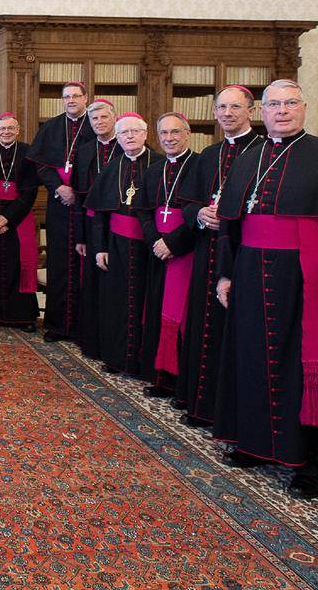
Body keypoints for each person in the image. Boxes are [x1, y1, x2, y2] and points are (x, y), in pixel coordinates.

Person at [214, 79, 318, 500]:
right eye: (273, 104)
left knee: (301, 364)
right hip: (251, 271)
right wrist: (227, 274)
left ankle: (310, 462)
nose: (281, 111)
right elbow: (233, 224)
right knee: (251, 354)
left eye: (290, 103)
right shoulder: (249, 157)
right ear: (261, 111)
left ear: (304, 107)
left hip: (308, 278)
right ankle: (255, 443)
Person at [176, 86, 262, 426]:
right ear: (214, 113)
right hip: (206, 250)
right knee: (202, 325)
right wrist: (199, 214)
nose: (228, 113)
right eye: (222, 107)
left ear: (251, 111)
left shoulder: (261, 152)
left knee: (233, 331)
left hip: (241, 254)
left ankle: (230, 413)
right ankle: (200, 404)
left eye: (235, 107)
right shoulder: (208, 155)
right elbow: (187, 202)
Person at [86, 113, 157, 374]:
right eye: (124, 133)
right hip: (115, 246)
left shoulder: (157, 164)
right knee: (115, 302)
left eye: (135, 132)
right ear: (117, 138)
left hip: (148, 247)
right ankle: (116, 358)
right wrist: (100, 248)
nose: (129, 137)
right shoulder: (111, 168)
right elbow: (99, 215)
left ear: (145, 134)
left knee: (145, 303)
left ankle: (142, 362)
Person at [135, 113, 199, 393]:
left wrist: (172, 243)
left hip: (186, 250)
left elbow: (199, 214)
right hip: (158, 249)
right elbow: (143, 210)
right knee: (157, 307)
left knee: (180, 313)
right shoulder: (154, 169)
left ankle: (179, 381)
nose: (169, 139)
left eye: (175, 133)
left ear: (187, 133)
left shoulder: (199, 166)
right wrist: (155, 241)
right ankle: (159, 375)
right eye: (164, 134)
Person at [28, 82, 95, 342]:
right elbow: (40, 166)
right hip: (59, 205)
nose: (71, 100)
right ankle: (56, 325)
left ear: (85, 98)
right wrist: (58, 188)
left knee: (84, 264)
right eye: (66, 97)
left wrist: (76, 191)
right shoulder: (52, 127)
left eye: (76, 96)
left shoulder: (95, 123)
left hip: (86, 204)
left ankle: (83, 327)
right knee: (58, 264)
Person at [0, 114, 41, 330]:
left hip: (17, 217)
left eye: (10, 128)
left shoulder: (28, 153)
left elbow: (30, 192)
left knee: (19, 265)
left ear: (18, 130)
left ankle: (22, 317)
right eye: (2, 128)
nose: (6, 132)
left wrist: (7, 218)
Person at [71, 99, 120, 359]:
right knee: (90, 281)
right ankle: (91, 338)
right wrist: (80, 235)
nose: (99, 123)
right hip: (91, 224)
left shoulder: (126, 147)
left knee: (115, 280)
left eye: (103, 118)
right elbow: (79, 195)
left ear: (114, 118)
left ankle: (113, 338)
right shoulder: (85, 151)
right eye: (94, 120)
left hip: (120, 224)